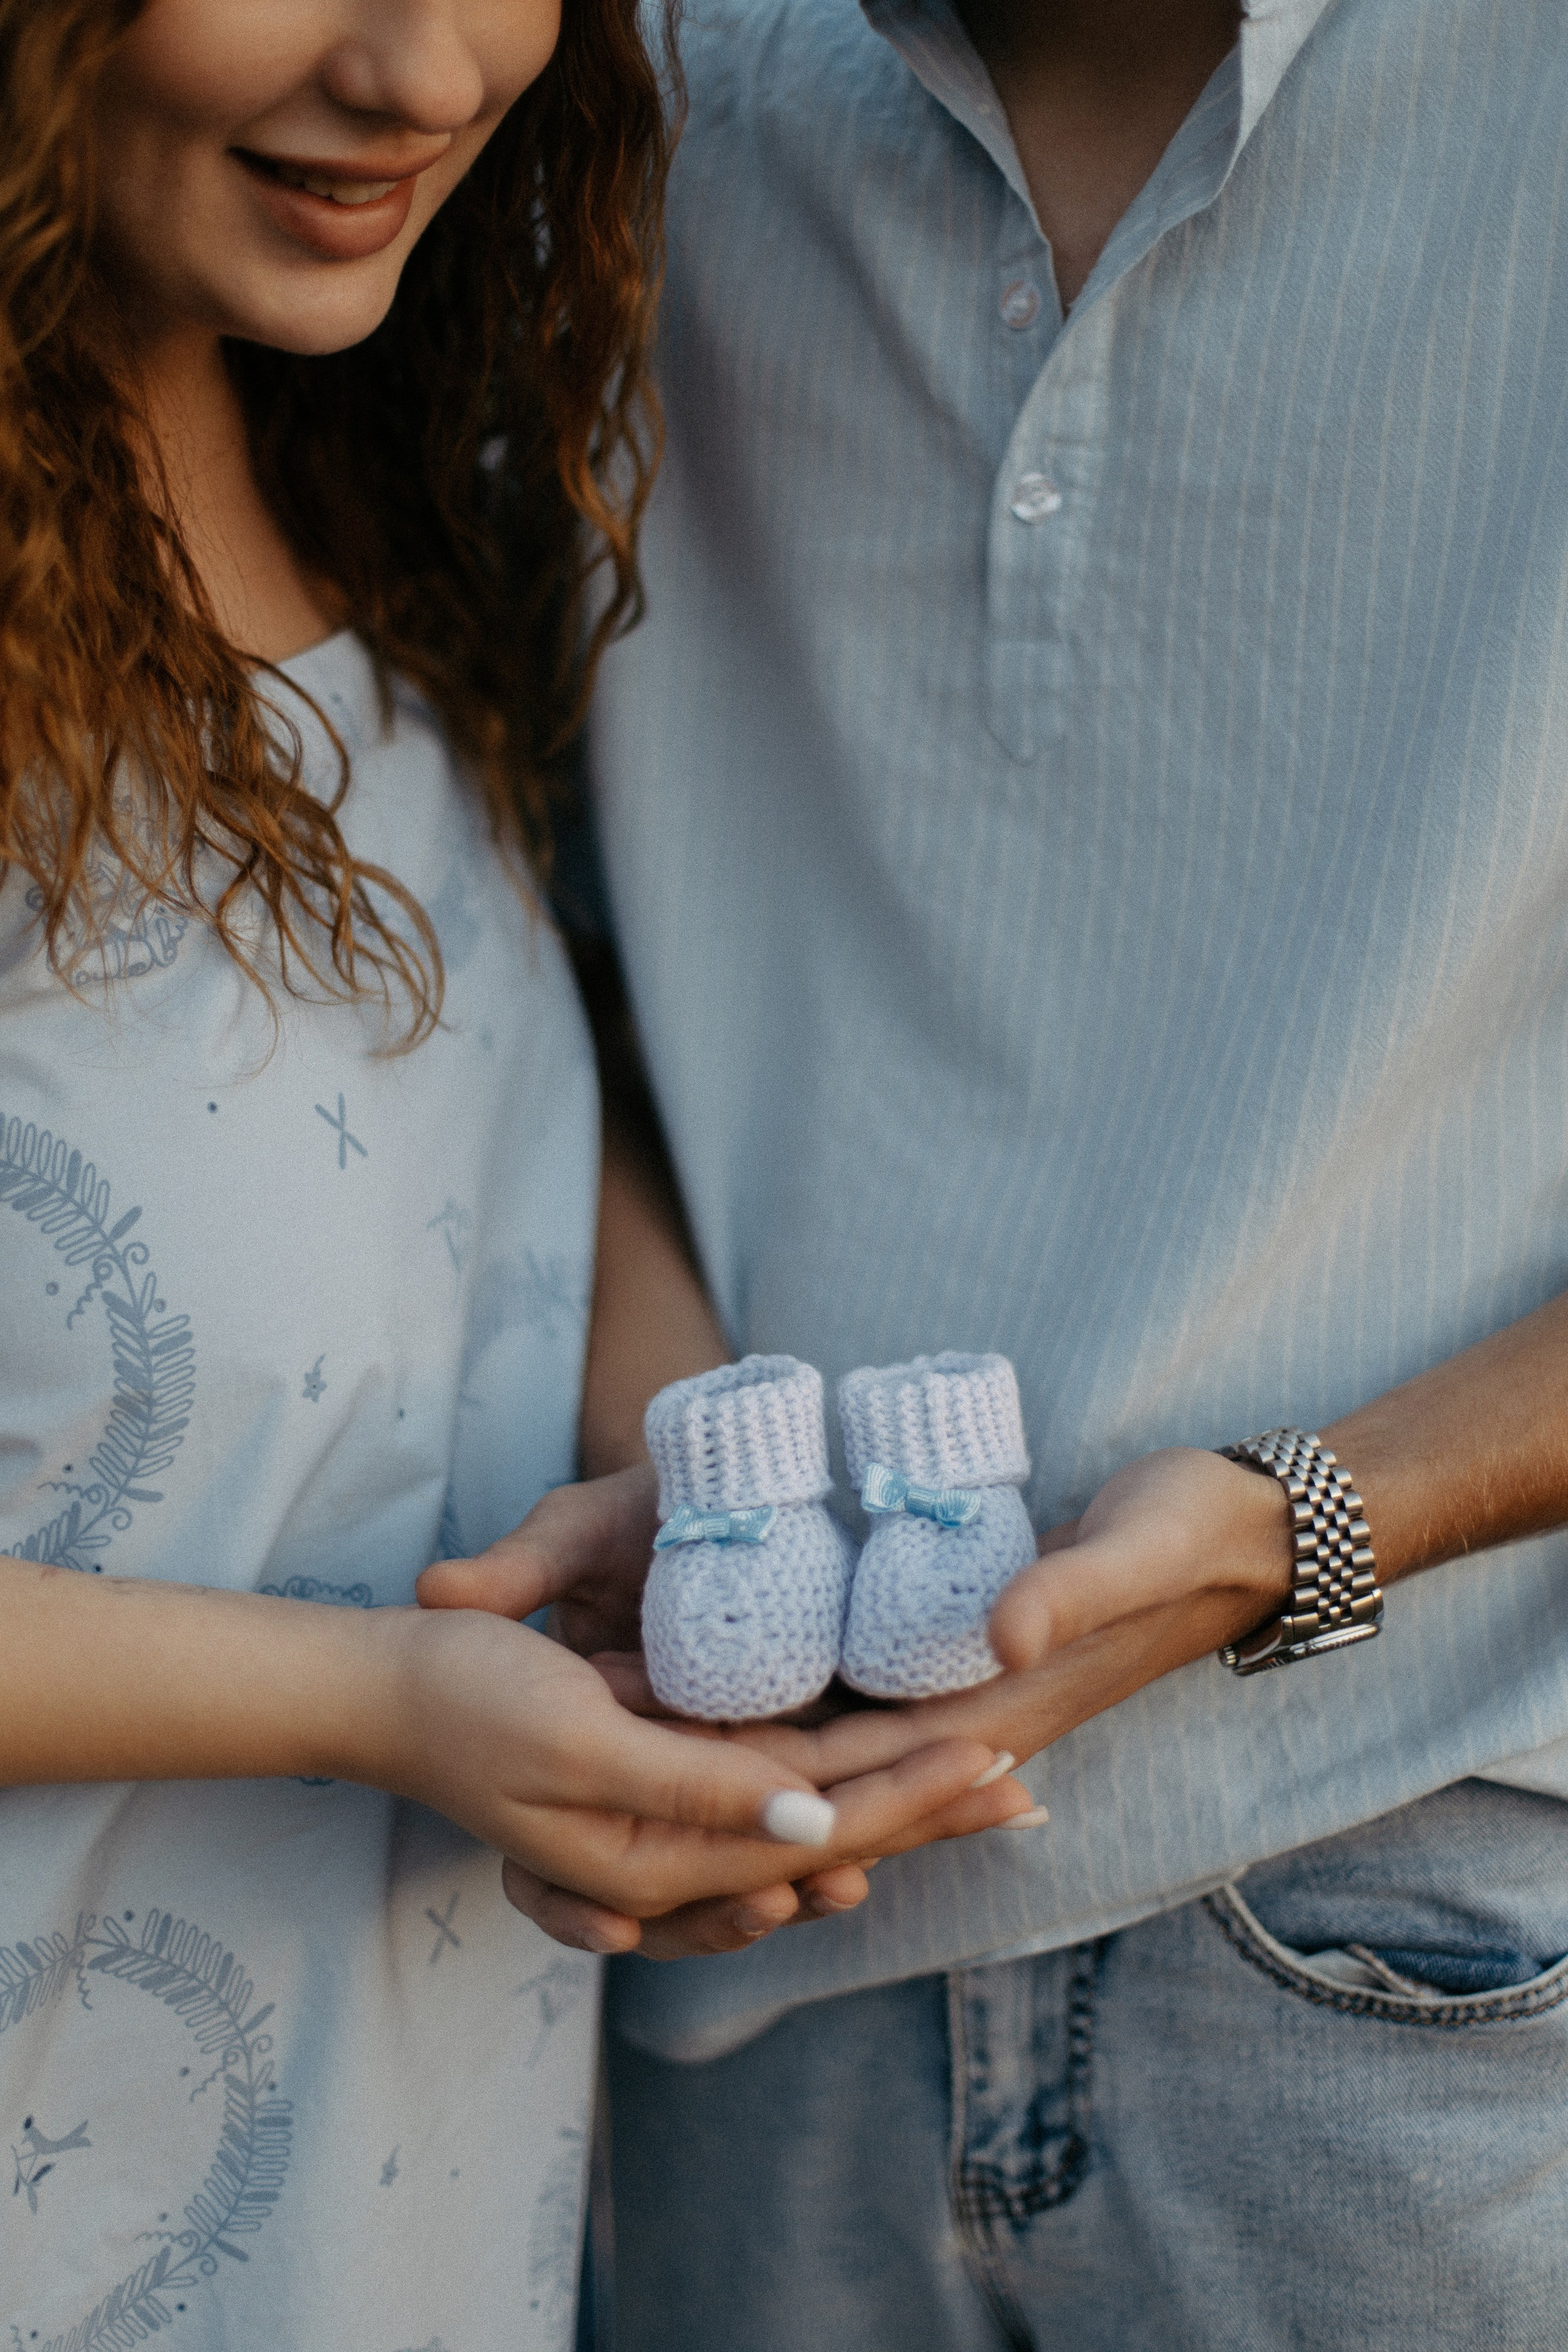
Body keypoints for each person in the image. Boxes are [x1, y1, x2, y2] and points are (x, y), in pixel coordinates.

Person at [475, 0, 1568, 2343]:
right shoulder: (588, 73)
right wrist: (671, 1444)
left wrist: (1312, 1519)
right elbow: (492, 917)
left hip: (1421, 1907)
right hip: (735, 1943)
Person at [0, 3, 1033, 2343]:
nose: (433, 71)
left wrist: (678, 1495)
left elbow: (461, 1132)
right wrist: (373, 1707)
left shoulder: (378, 469)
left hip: (381, 2223)